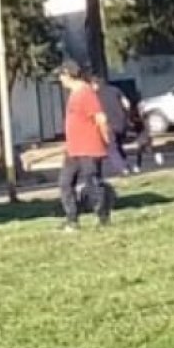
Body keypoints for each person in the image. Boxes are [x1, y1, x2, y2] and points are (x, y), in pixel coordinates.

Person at [57, 60, 112, 231]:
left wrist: (106, 139)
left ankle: (103, 218)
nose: (60, 79)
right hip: (73, 149)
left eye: (61, 75)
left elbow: (100, 118)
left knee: (92, 184)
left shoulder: (85, 92)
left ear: (69, 74)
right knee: (65, 183)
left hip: (89, 148)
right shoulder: (73, 94)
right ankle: (72, 219)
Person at [91, 74, 130, 175]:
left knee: (111, 148)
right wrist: (125, 115)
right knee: (118, 145)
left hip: (108, 124)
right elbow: (127, 104)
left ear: (95, 84)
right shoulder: (115, 90)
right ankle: (126, 165)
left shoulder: (95, 96)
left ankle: (122, 168)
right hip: (121, 123)